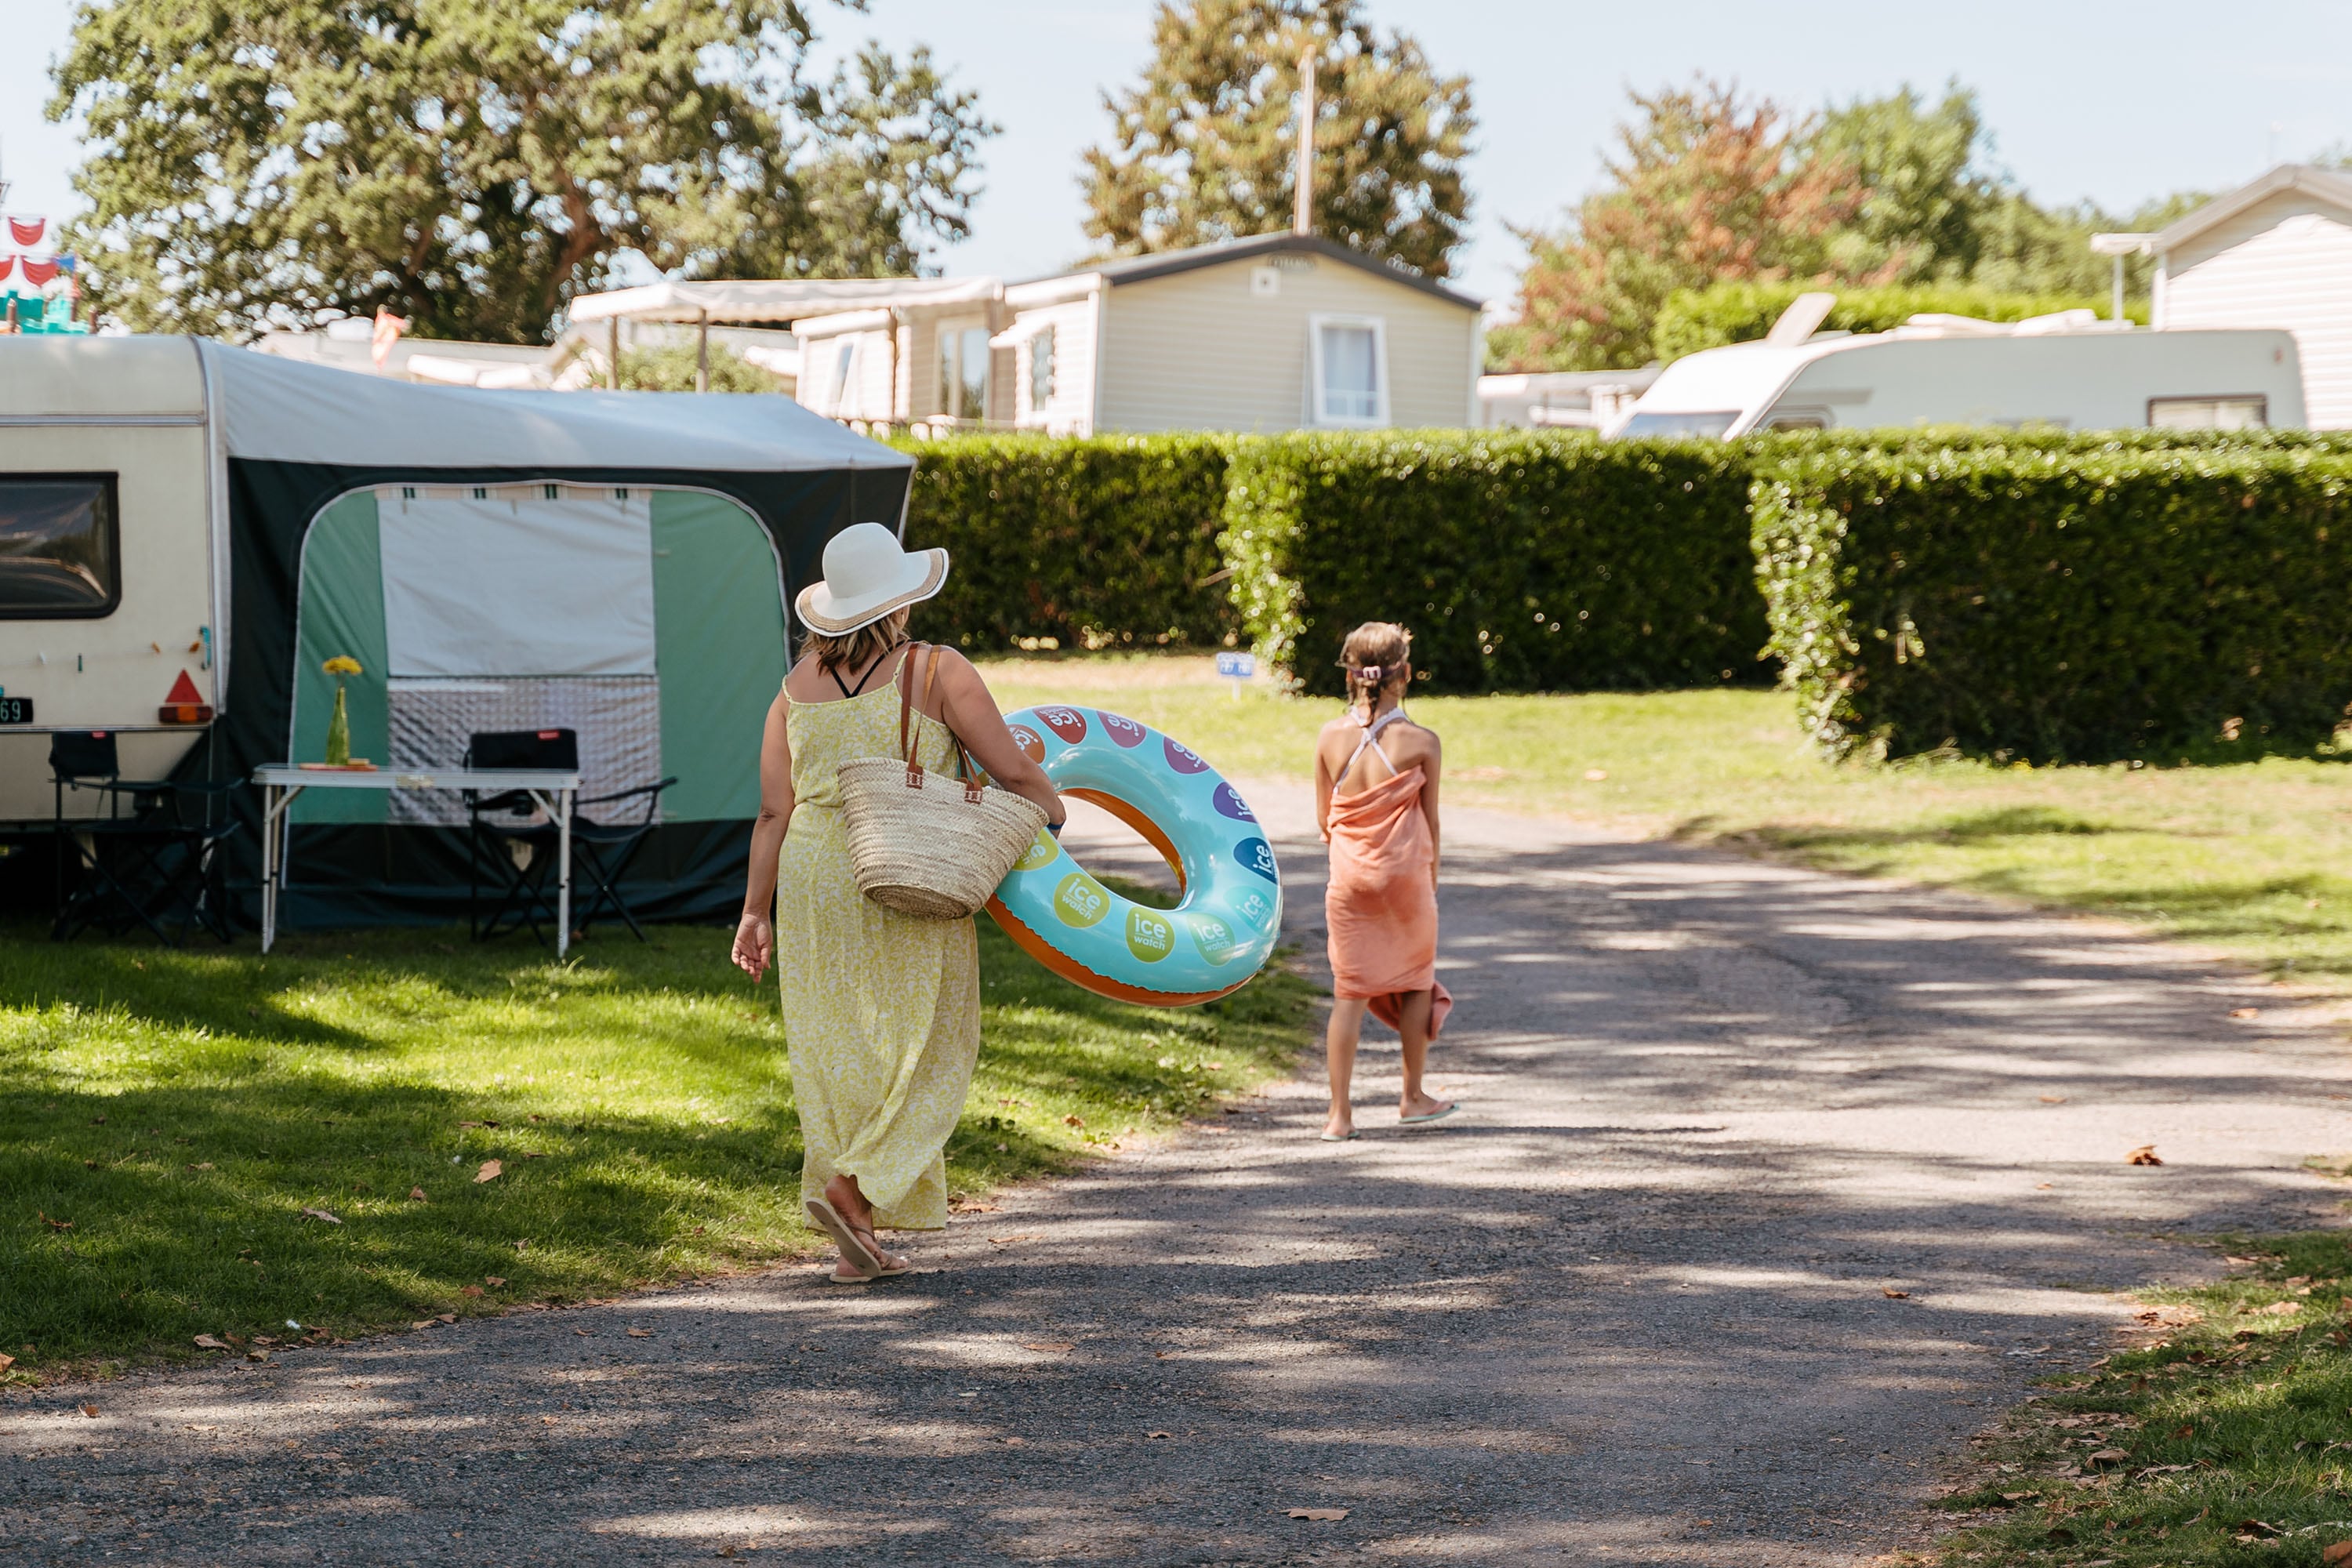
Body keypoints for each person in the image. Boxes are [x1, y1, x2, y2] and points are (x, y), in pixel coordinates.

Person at [732, 522, 1064, 1283]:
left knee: (837, 1048)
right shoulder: (937, 668)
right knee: (934, 1039)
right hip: (907, 857)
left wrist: (756, 910)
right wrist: (1054, 809)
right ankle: (854, 1188)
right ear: (901, 599)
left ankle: (857, 1241)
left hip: (814, 871)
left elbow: (772, 813)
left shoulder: (792, 691)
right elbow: (1010, 766)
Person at [1314, 621, 1454, 1142]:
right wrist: (1431, 877)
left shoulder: (1329, 737)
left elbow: (1324, 820)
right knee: (1416, 980)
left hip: (1350, 879)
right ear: (1407, 674)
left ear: (1350, 676)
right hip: (1408, 880)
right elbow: (1432, 821)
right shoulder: (1422, 741)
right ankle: (1413, 1096)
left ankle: (1339, 1116)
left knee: (1348, 993)